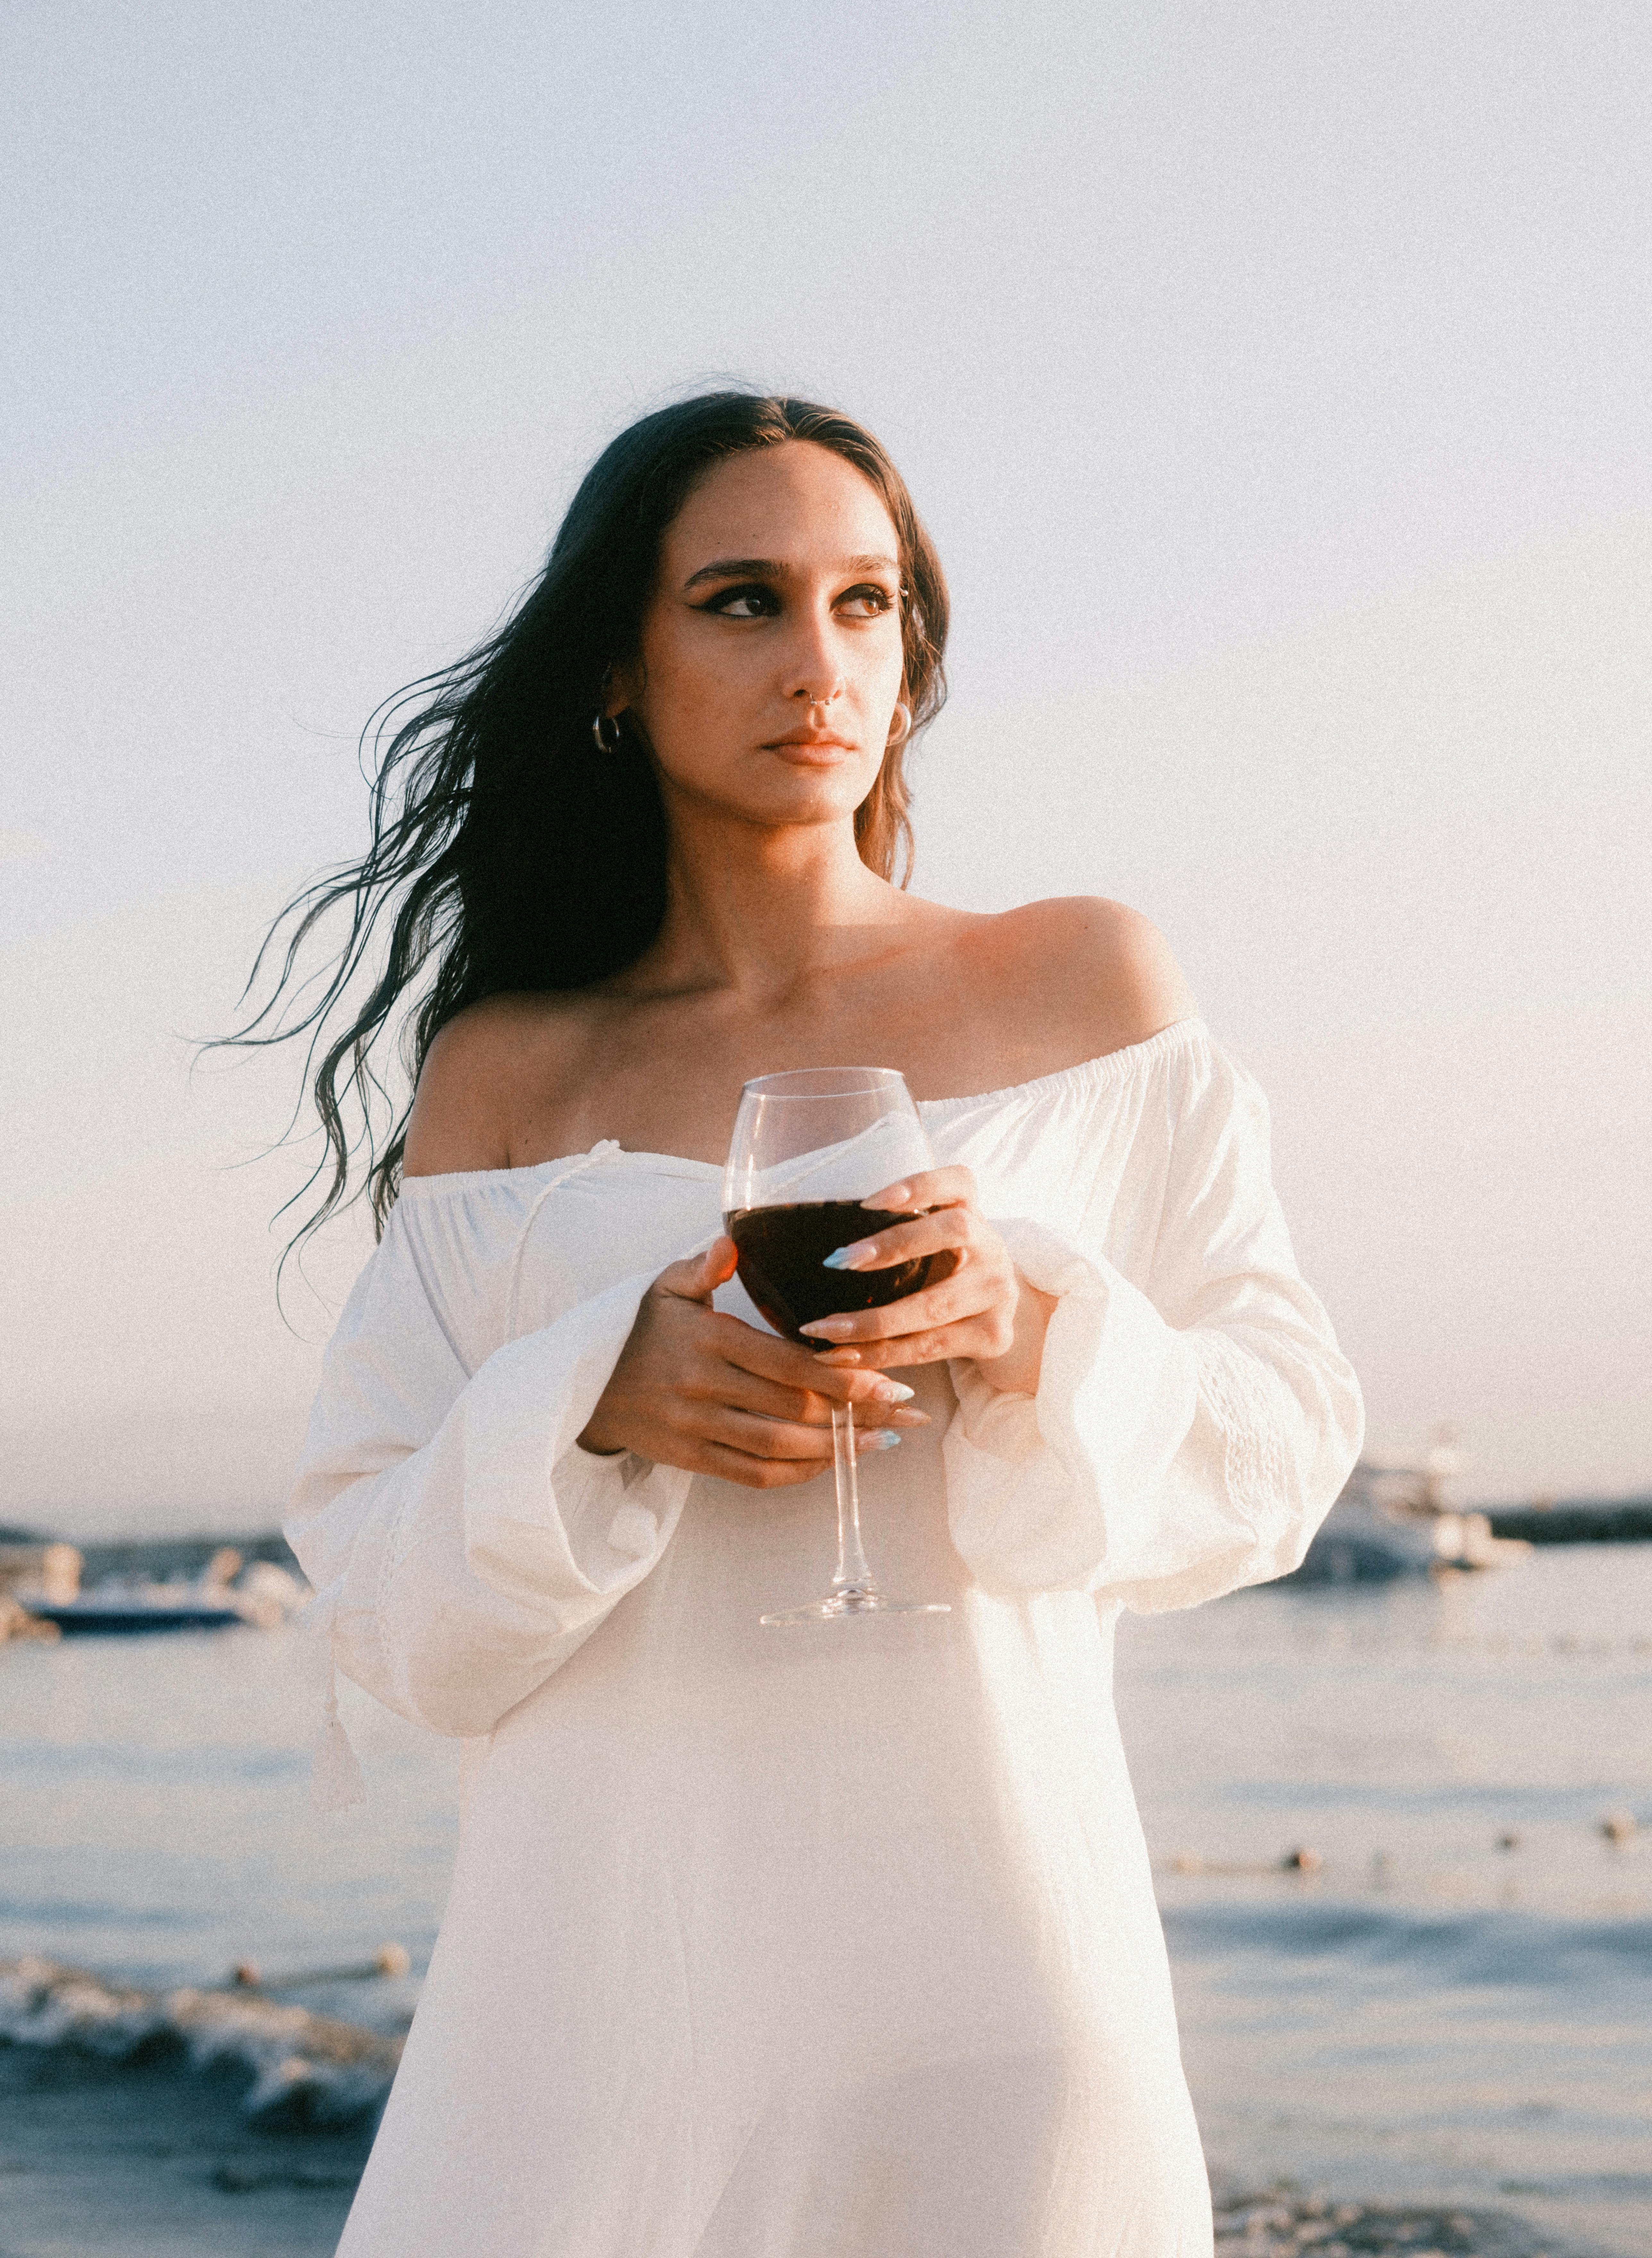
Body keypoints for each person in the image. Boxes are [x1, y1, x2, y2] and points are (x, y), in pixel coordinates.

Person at [267, 393, 1362, 2258]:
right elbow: (376, 1589)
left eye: (869, 604)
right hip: (599, 2002)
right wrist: (592, 1401)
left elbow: (1281, 1447)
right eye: (745, 601)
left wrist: (1034, 1318)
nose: (822, 663)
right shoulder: (513, 1073)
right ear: (623, 661)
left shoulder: (1083, 980)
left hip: (998, 1978)